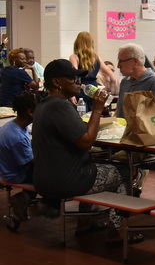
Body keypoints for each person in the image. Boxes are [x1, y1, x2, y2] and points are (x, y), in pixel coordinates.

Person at [32, 59, 143, 244]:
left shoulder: (44, 105)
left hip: (43, 179)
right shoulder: (60, 106)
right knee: (126, 170)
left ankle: (84, 222)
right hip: (65, 181)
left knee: (97, 167)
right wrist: (98, 109)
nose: (78, 81)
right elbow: (85, 142)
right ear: (57, 82)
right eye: (72, 78)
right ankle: (118, 232)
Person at [0, 92, 41, 221]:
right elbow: (31, 162)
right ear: (30, 112)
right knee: (50, 174)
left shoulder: (14, 126)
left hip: (12, 166)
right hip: (15, 174)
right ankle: (24, 199)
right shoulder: (17, 138)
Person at [116, 43, 155, 119]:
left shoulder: (154, 81)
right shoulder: (125, 82)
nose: (118, 66)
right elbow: (119, 110)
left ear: (135, 61)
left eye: (121, 61)